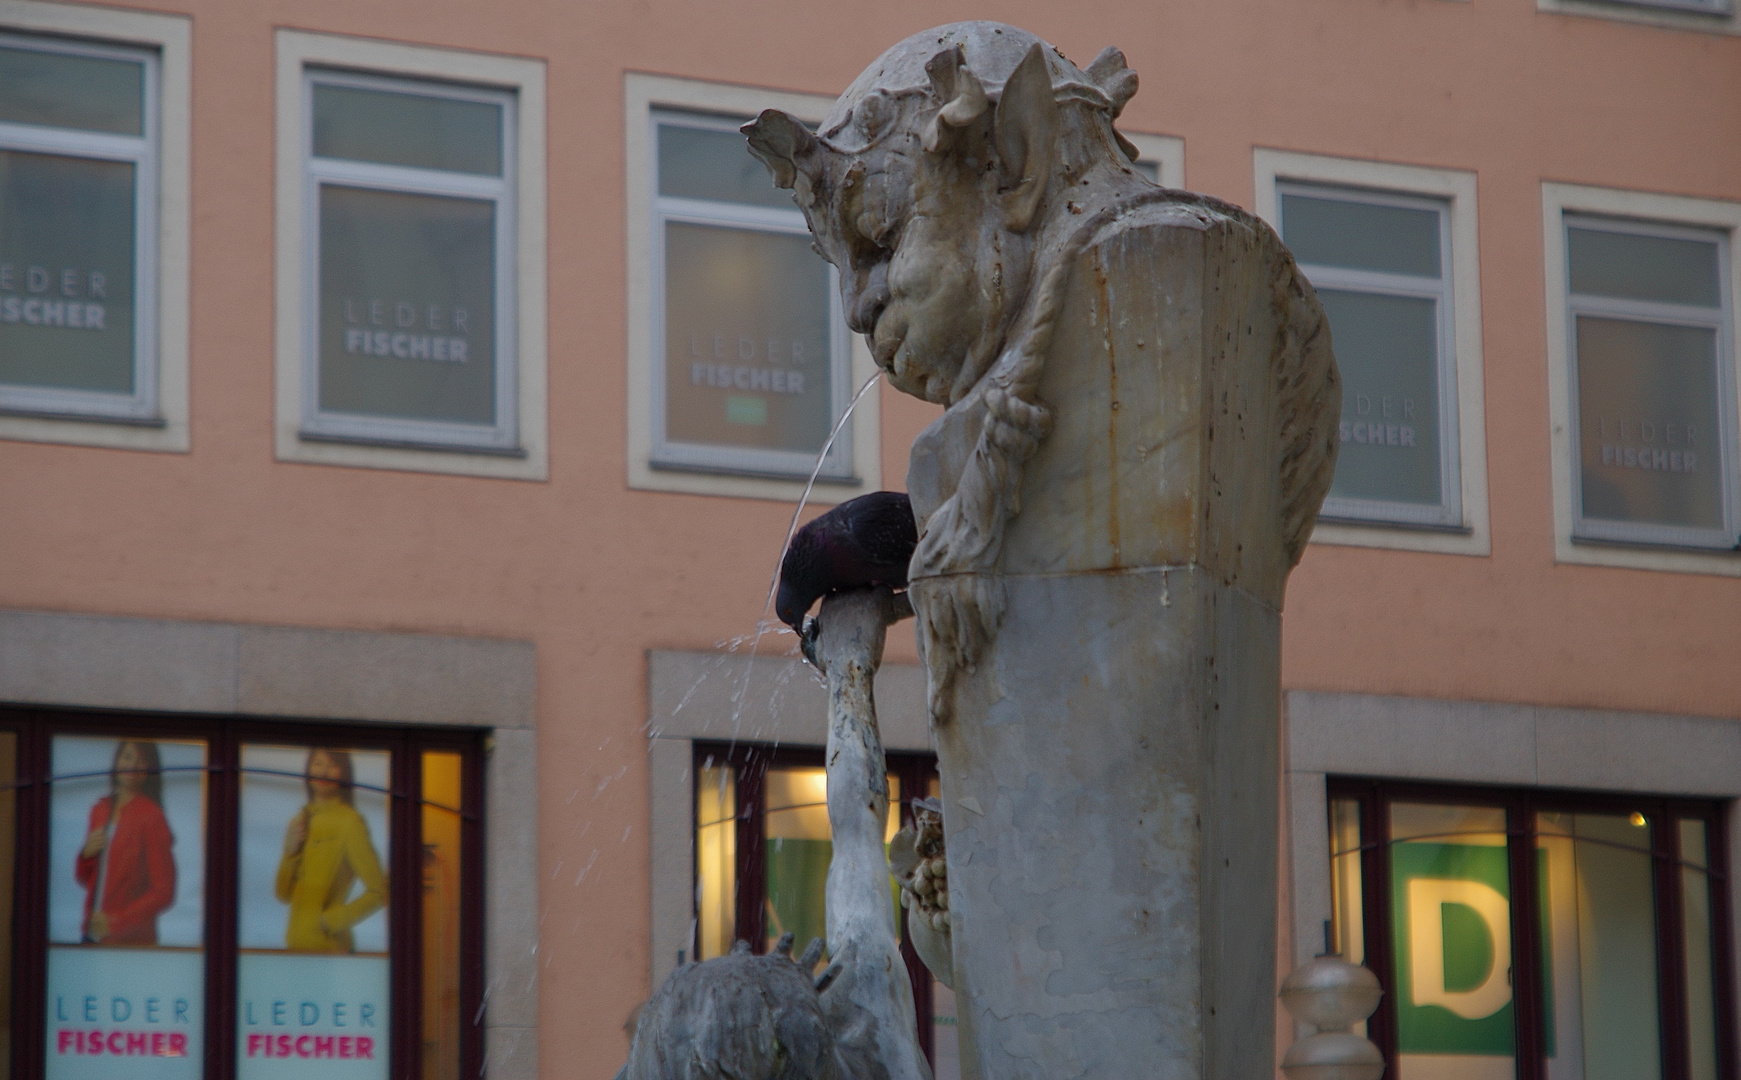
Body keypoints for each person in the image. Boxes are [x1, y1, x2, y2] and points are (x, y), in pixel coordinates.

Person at [275, 748, 387, 952]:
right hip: (295, 948)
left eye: (333, 765)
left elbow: (380, 892)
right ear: (308, 770)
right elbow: (283, 894)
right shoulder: (299, 820)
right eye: (318, 763)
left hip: (330, 949)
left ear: (344, 773)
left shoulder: (349, 823)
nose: (324, 772)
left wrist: (330, 922)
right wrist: (290, 854)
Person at [76, 740, 176, 945]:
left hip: (131, 939)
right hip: (92, 933)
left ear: (149, 770)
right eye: (128, 757)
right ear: (117, 761)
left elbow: (164, 890)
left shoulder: (152, 816)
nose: (132, 765)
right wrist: (85, 855)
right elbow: (87, 880)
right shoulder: (100, 810)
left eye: (142, 761)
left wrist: (116, 923)